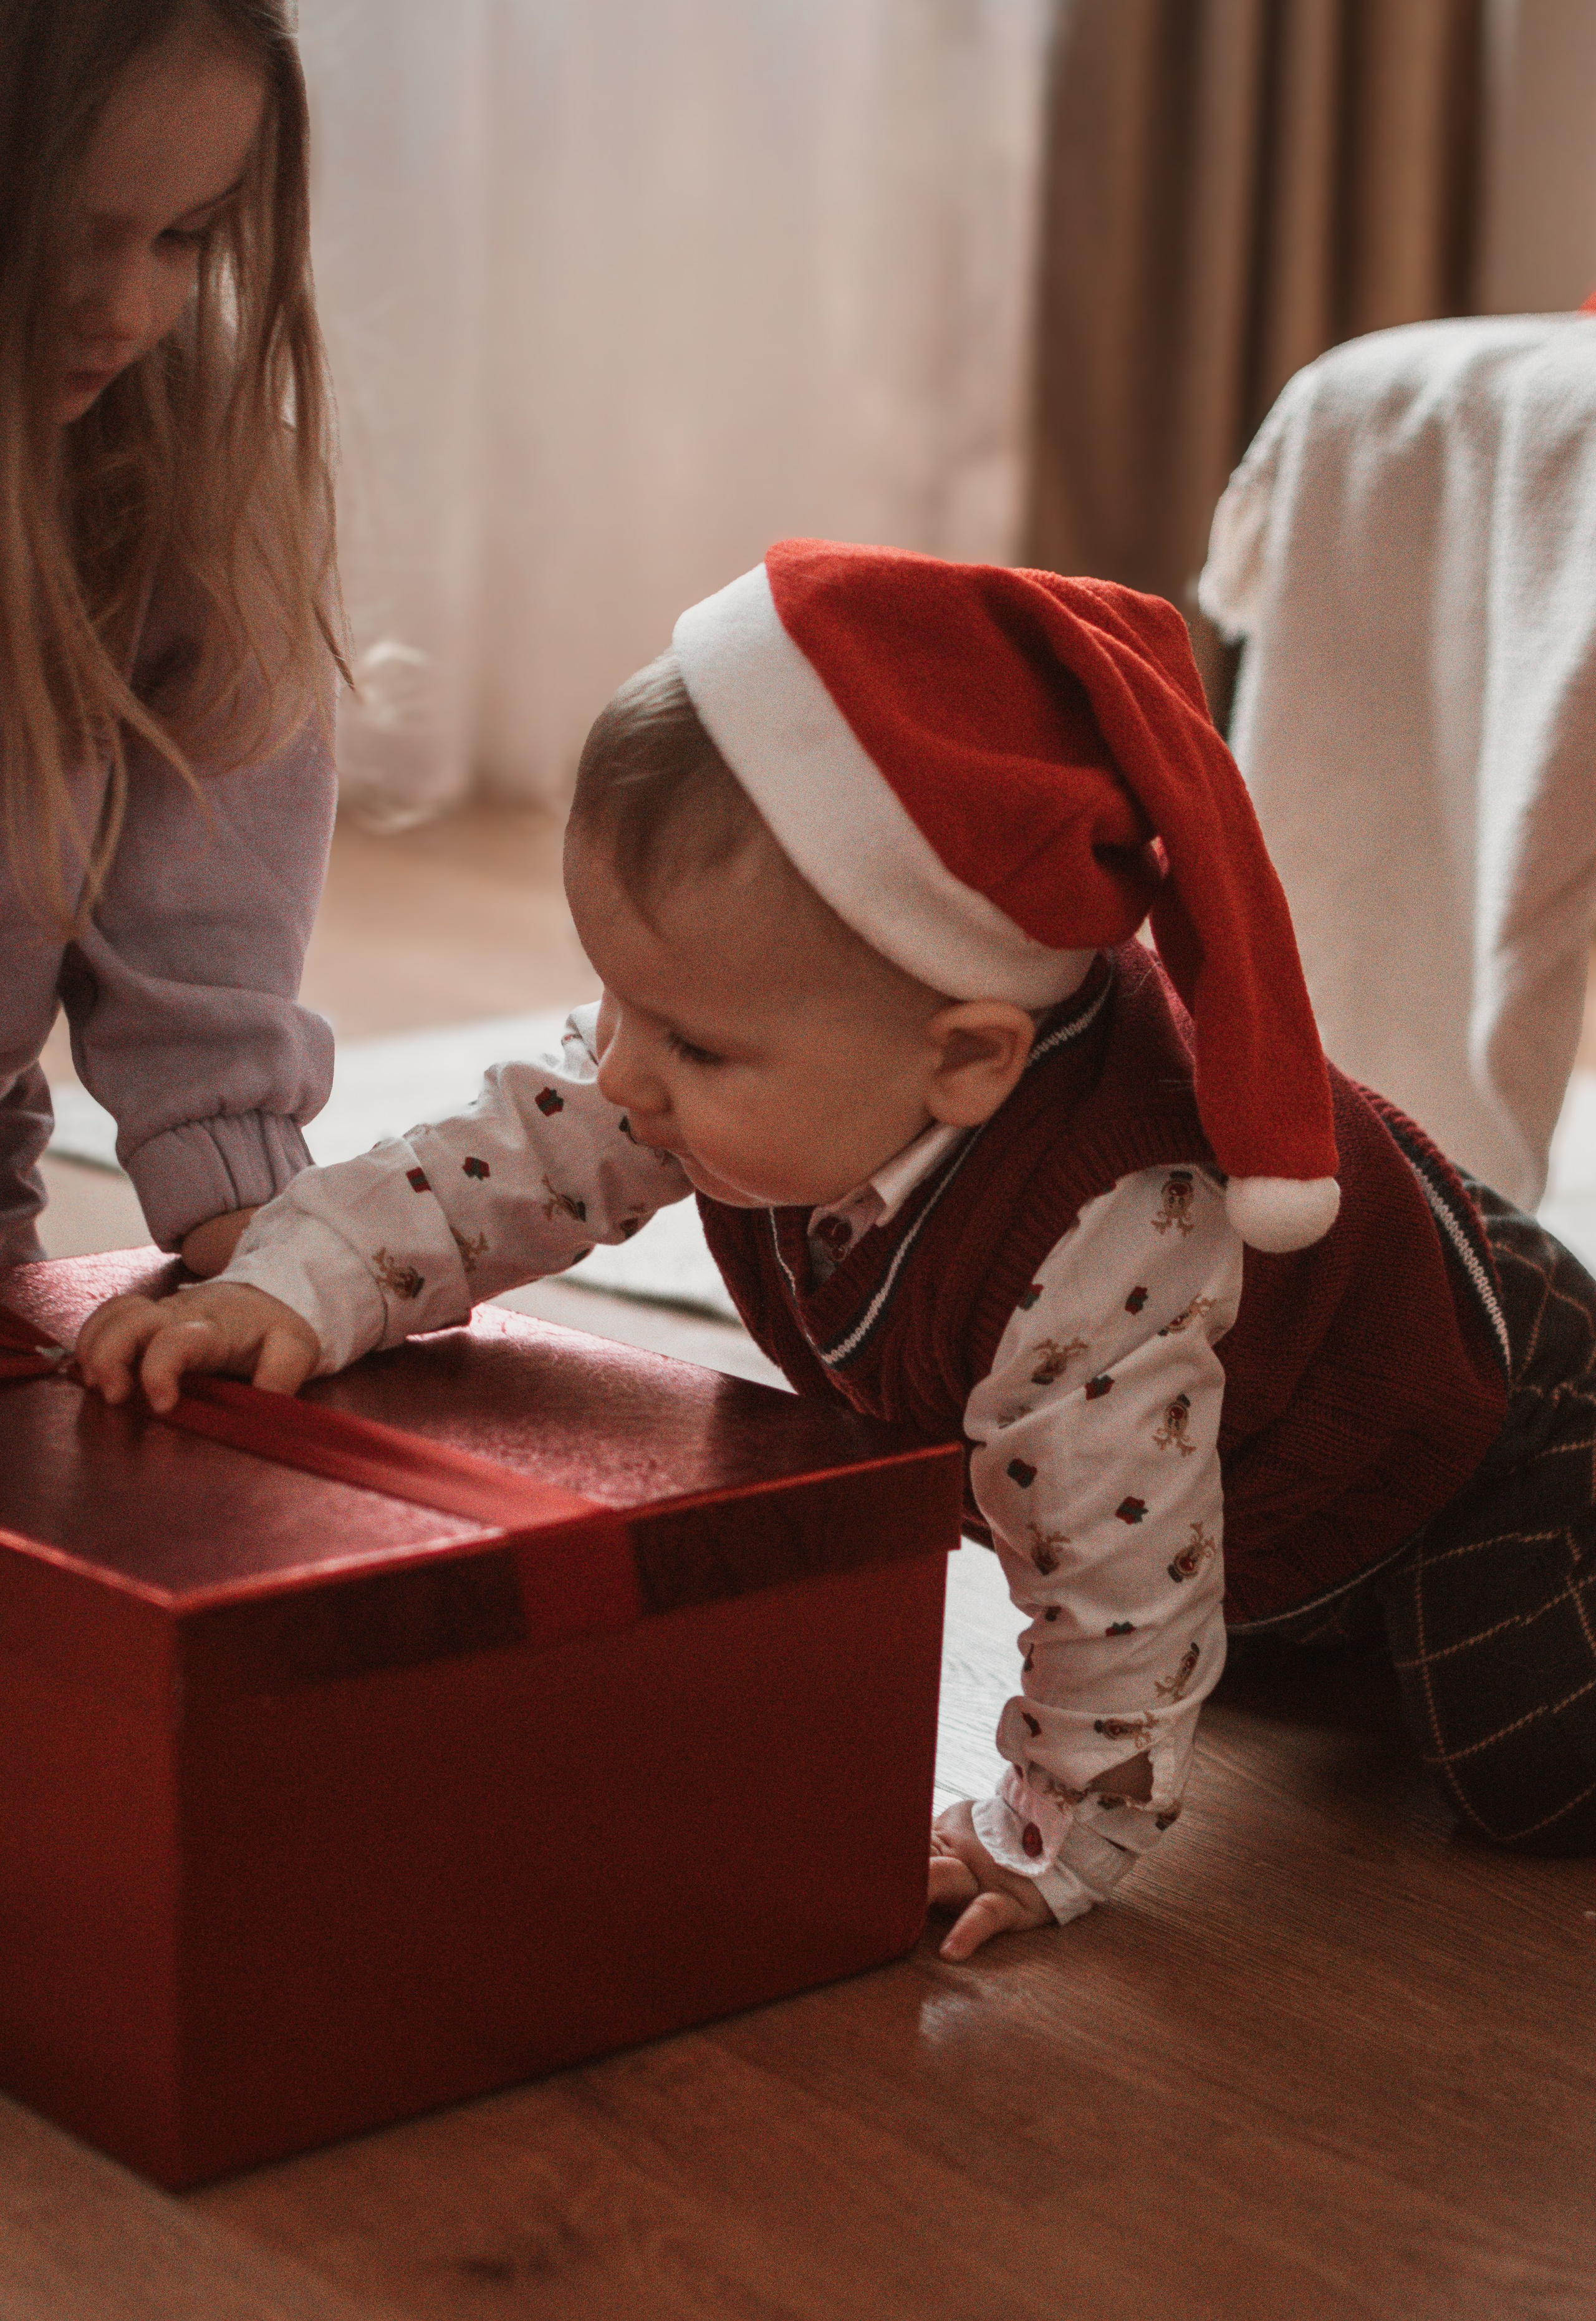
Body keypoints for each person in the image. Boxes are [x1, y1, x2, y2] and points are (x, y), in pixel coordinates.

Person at [75, 541, 1596, 1961]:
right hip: (1255, 1475)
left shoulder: (1105, 1235)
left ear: (966, 1059)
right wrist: (290, 1276)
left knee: (1519, 1759)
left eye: (683, 1040)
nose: (619, 1075)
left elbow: (1112, 1583)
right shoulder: (729, 1058)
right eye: (610, 999)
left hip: (1492, 1426)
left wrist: (1042, 1835)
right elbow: (506, 1159)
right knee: (1256, 1644)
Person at [0, 0, 344, 1276]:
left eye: (184, 238)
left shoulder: (180, 481)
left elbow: (206, 963)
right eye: (59, 236)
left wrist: (275, 1258)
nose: (127, 306)